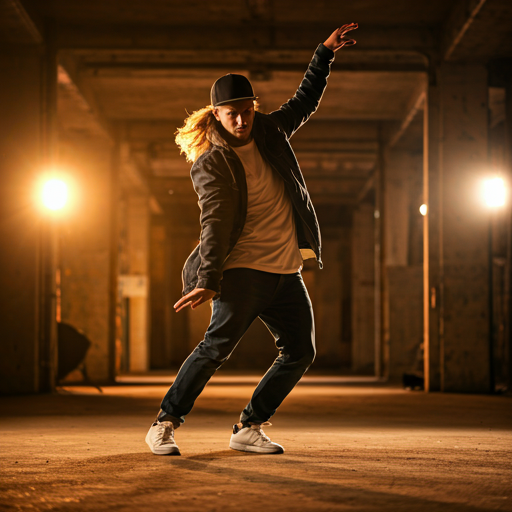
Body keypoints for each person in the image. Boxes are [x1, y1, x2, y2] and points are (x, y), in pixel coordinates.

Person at [146, 23, 358, 456]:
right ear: (215, 115)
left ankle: (249, 426)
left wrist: (324, 54)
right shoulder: (211, 163)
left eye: (246, 110)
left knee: (300, 351)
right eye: (232, 113)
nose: (241, 120)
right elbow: (214, 221)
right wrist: (208, 279)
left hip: (285, 271)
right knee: (215, 349)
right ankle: (164, 423)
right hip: (242, 271)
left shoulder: (270, 132)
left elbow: (304, 101)